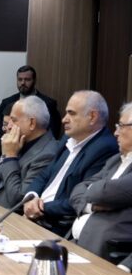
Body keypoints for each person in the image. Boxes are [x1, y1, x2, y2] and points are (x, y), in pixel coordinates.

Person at [23, 90, 119, 236]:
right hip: (35, 217)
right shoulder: (68, 139)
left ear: (92, 117)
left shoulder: (105, 148)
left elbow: (83, 198)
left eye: (71, 113)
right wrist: (31, 197)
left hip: (57, 226)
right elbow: (44, 175)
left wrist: (40, 208)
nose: (64, 119)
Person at [69, 103, 132, 257]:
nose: (115, 133)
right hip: (75, 242)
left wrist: (92, 190)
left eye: (121, 126)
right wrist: (91, 206)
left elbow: (103, 192)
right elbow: (77, 189)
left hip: (104, 251)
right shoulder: (115, 160)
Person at [0, 65, 61, 139]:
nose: (23, 83)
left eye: (27, 79)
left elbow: (53, 133)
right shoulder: (6, 102)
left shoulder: (48, 104)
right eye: (20, 79)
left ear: (34, 80)